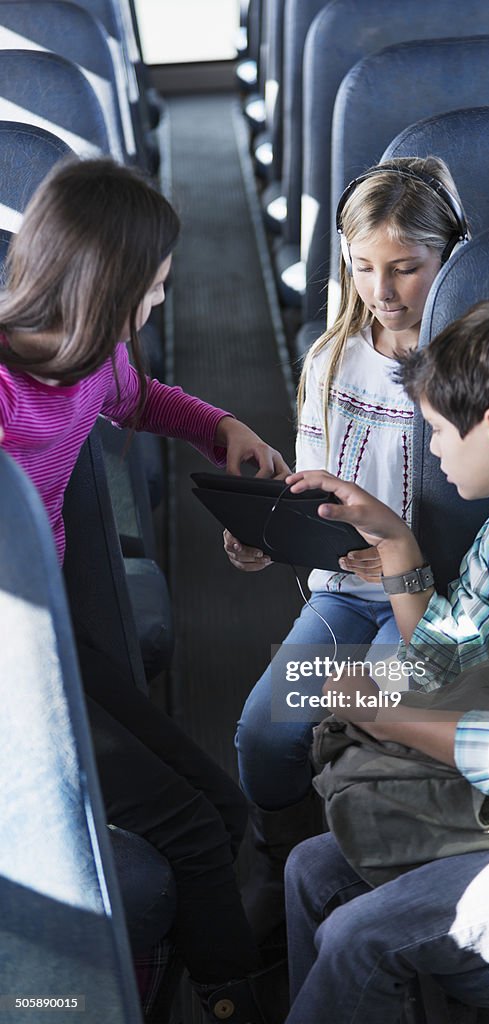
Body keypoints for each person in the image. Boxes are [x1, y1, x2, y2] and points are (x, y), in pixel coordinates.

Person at [0, 156, 288, 1023]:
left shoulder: (90, 362)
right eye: (154, 289)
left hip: (53, 643)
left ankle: (202, 962)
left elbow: (142, 399)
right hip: (14, 680)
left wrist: (220, 428)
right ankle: (231, 994)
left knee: (222, 807)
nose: (160, 304)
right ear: (107, 288)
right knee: (194, 832)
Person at [283, 298, 489, 1022]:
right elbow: (440, 662)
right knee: (309, 869)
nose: (433, 451)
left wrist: (383, 718)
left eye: (437, 432)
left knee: (358, 939)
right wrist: (393, 541)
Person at [224, 156, 470, 945]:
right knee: (264, 732)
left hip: (430, 599)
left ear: (449, 259)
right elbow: (313, 480)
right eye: (363, 268)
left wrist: (397, 552)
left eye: (406, 269)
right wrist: (271, 533)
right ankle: (280, 855)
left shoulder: (470, 370)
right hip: (341, 588)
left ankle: (356, 872)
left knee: (377, 733)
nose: (383, 292)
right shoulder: (330, 359)